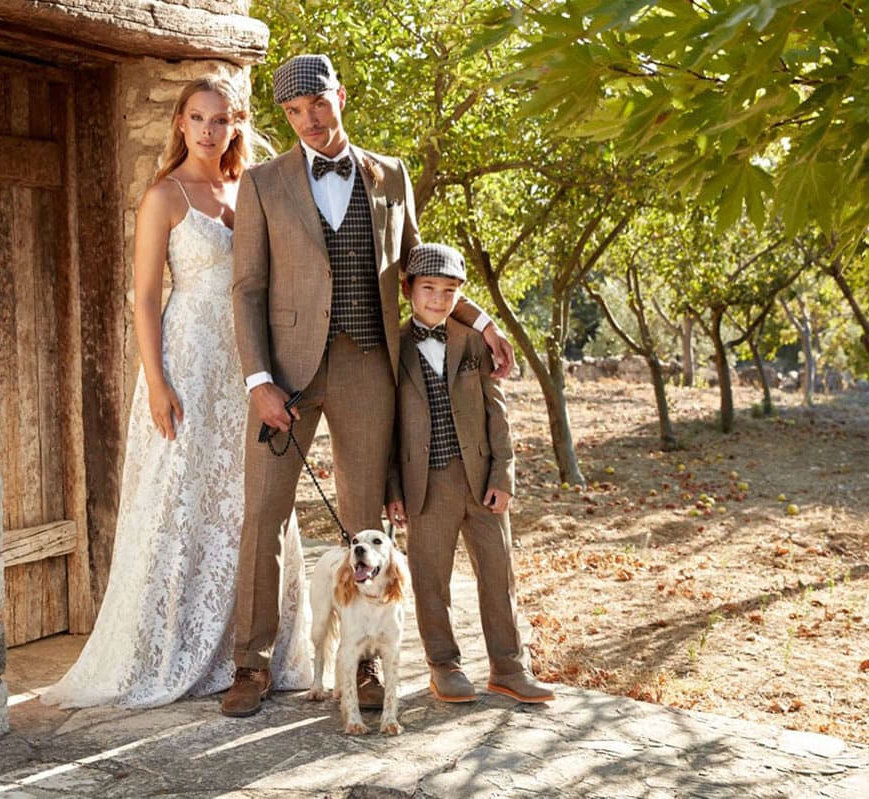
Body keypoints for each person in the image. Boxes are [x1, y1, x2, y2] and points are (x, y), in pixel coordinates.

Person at [223, 54, 515, 717]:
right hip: (288, 372)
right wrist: (259, 380)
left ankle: (364, 671)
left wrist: (485, 322)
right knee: (264, 516)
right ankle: (251, 664)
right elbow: (246, 290)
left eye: (318, 105)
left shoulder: (391, 175)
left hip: (367, 367)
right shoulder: (263, 183)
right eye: (295, 113)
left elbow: (420, 273)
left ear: (341, 96)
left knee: (366, 521)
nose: (309, 121)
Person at [40, 77, 312, 709]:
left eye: (221, 119)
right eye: (197, 118)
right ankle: (166, 649)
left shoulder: (254, 189)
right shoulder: (163, 196)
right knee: (180, 495)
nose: (209, 130)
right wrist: (157, 382)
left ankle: (252, 650)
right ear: (181, 124)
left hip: (250, 362)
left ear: (236, 124)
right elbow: (142, 298)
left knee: (251, 497)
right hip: (188, 360)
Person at [385, 243, 553, 704]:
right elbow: (387, 427)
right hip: (426, 483)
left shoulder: (474, 342)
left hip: (481, 480)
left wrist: (503, 476)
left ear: (461, 296)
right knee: (430, 577)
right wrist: (393, 488)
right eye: (429, 290)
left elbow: (497, 415)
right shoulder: (393, 347)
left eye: (449, 292)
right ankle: (444, 665)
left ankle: (509, 667)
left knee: (498, 574)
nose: (438, 300)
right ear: (408, 291)